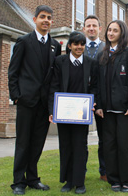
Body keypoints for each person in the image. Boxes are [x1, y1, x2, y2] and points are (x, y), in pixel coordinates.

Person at [8, 5, 61, 195]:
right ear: (35, 20)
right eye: (42, 17)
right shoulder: (23, 41)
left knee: (38, 143)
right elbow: (13, 72)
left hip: (44, 104)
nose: (46, 20)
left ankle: (32, 179)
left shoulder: (56, 46)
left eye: (49, 18)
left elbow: (54, 76)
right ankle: (18, 182)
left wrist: (53, 105)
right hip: (26, 101)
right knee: (23, 143)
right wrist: (16, 96)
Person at [48, 31, 98, 194]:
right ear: (69, 46)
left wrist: (93, 102)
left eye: (82, 44)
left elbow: (94, 87)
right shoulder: (59, 62)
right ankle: (68, 181)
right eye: (76, 44)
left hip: (81, 114)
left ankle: (80, 182)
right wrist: (52, 109)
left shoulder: (91, 63)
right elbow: (54, 86)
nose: (79, 47)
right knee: (66, 146)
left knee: (80, 147)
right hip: (63, 112)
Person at [95, 20, 128, 193]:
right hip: (106, 111)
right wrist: (99, 105)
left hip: (124, 111)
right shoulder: (103, 54)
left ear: (122, 33)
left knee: (124, 147)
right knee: (109, 146)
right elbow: (98, 83)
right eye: (109, 30)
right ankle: (114, 180)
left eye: (115, 30)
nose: (111, 33)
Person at [82, 15, 107, 182]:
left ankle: (104, 172)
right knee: (79, 139)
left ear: (100, 28)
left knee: (104, 138)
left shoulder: (107, 48)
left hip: (102, 99)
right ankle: (78, 172)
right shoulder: (76, 45)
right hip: (81, 99)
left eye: (94, 25)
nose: (91, 28)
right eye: (88, 26)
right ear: (84, 29)